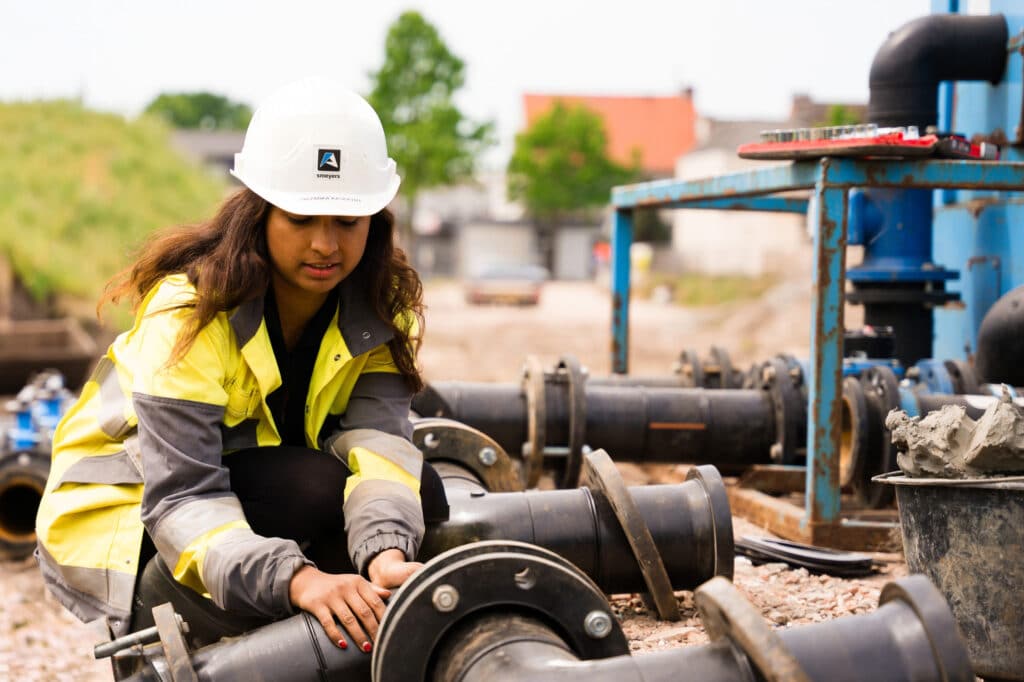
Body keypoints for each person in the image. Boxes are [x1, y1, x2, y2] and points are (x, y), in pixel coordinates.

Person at [34, 76, 445, 655]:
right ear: (259, 215)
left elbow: (381, 447)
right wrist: (298, 580)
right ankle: (169, 631)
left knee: (419, 494)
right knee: (311, 490)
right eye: (301, 219)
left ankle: (324, 627)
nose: (326, 244)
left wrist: (385, 554)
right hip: (138, 525)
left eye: (347, 223)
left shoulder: (377, 311)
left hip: (240, 501)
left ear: (375, 223)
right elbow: (181, 498)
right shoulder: (191, 312)